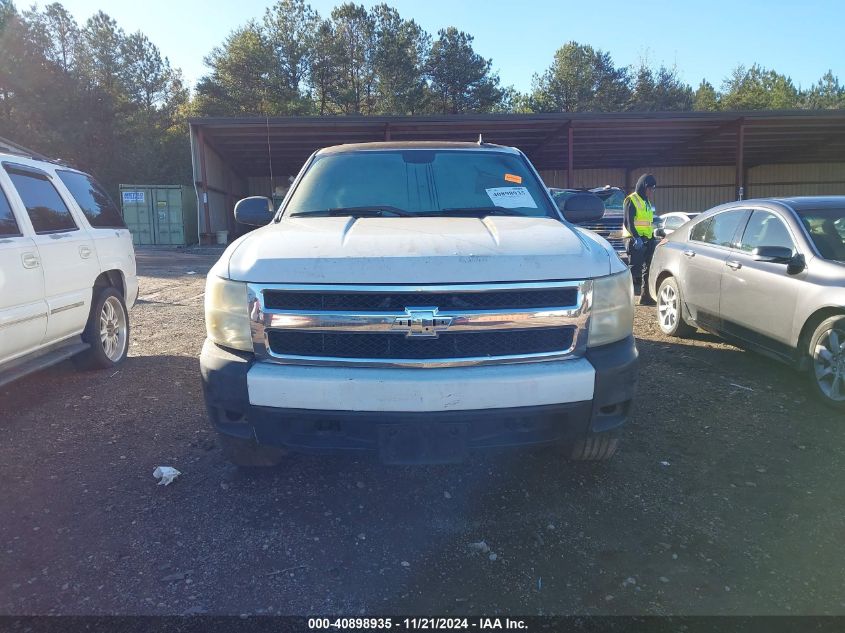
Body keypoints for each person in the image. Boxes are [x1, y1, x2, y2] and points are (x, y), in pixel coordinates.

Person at [623, 174, 658, 306]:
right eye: (650, 189)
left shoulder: (647, 202)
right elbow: (628, 222)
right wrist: (636, 238)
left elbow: (648, 223)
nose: (651, 192)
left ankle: (645, 296)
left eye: (653, 189)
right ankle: (624, 300)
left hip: (647, 239)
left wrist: (652, 238)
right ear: (644, 187)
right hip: (634, 240)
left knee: (648, 269)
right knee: (633, 271)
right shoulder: (631, 200)